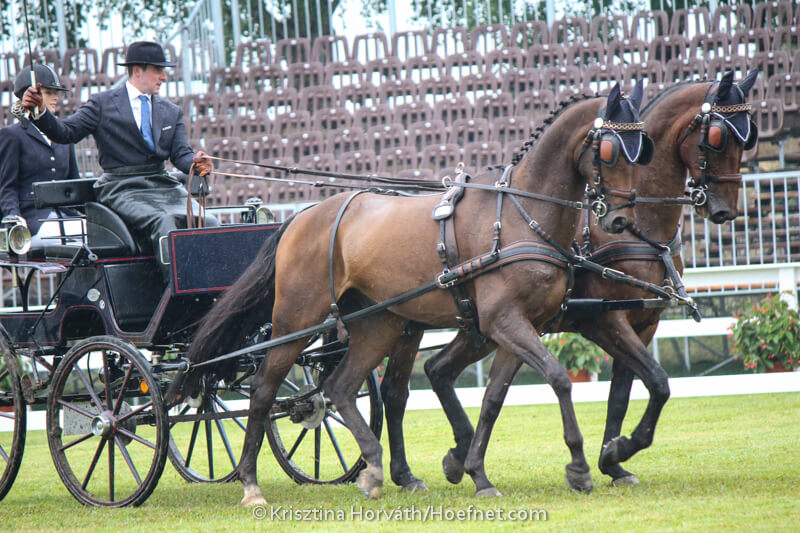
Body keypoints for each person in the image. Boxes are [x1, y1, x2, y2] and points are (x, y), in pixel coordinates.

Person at [20, 41, 214, 274]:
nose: (164, 77)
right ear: (138, 71)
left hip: (163, 186)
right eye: (158, 70)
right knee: (166, 222)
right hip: (122, 187)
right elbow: (66, 132)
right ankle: (178, 288)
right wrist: (40, 112)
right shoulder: (102, 104)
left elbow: (181, 154)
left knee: (209, 221)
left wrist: (196, 162)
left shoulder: (171, 111)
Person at [0, 64, 80, 237]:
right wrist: (15, 219)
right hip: (33, 222)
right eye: (48, 93)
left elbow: (75, 183)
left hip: (67, 216)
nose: (55, 98)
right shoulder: (12, 135)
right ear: (29, 95)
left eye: (56, 93)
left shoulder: (63, 136)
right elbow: (7, 188)